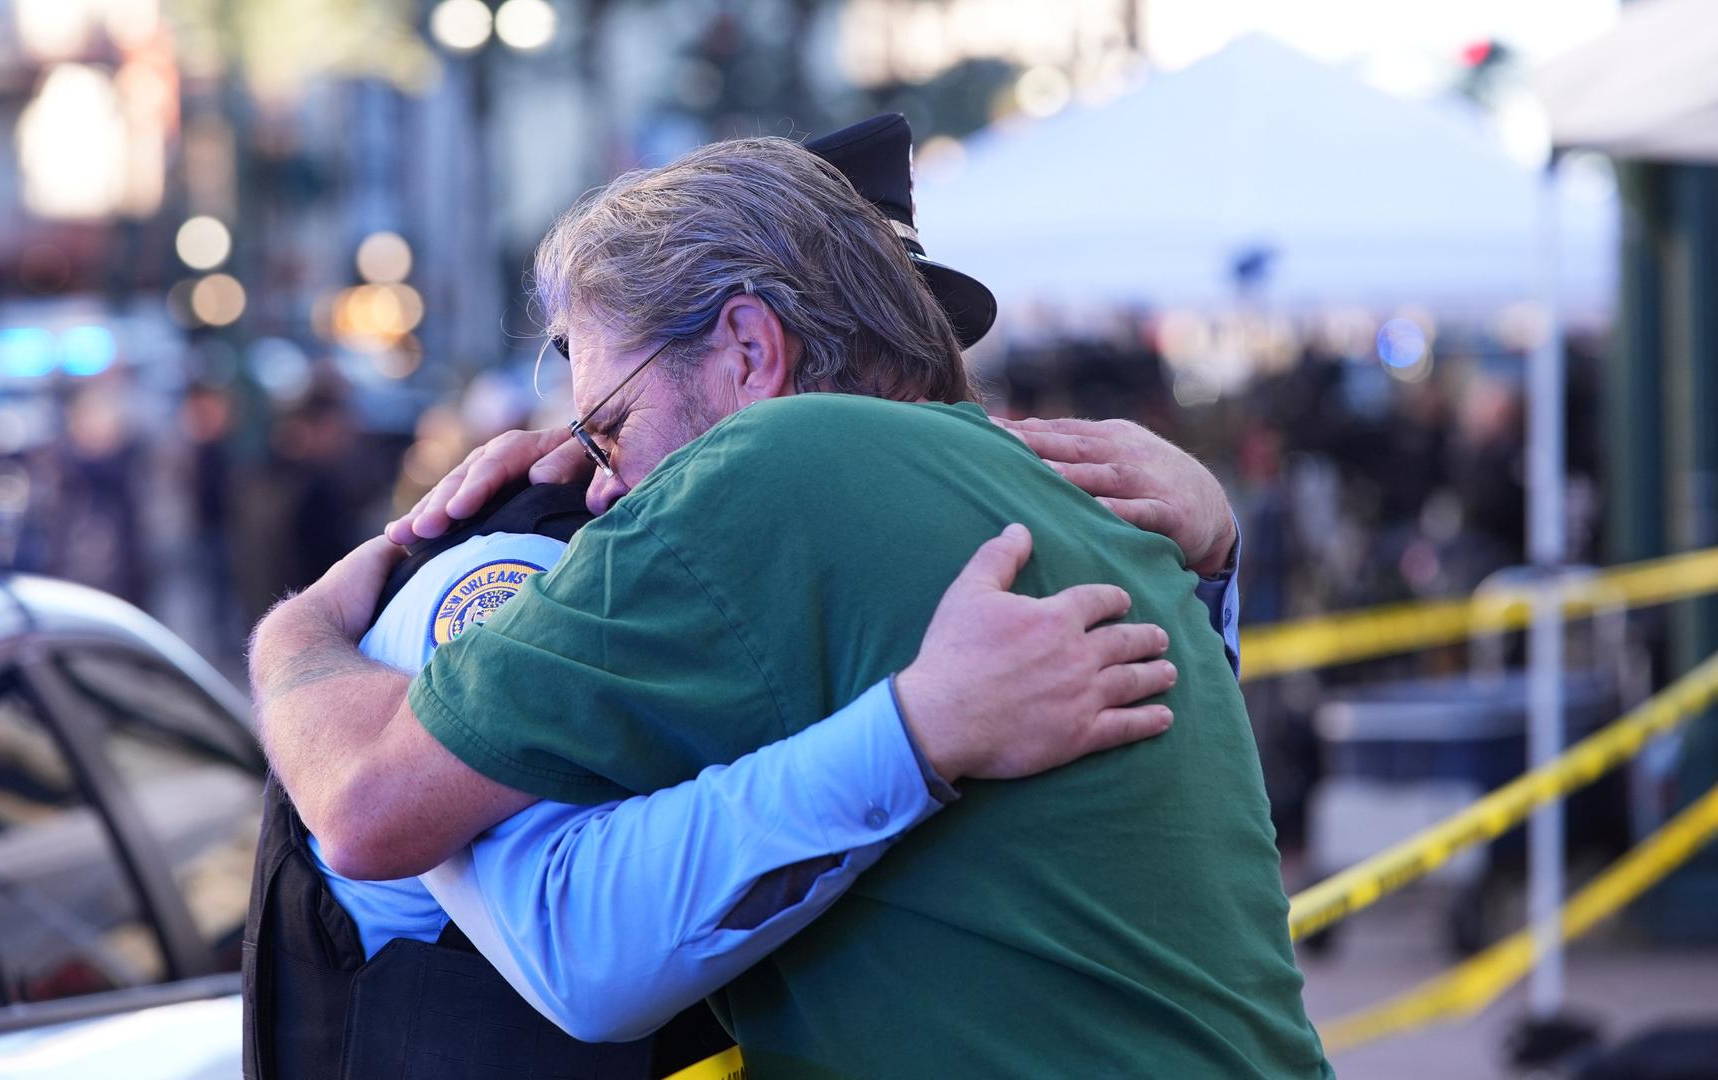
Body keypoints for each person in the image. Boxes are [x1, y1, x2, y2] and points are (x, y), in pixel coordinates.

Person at [254, 132, 1328, 1077]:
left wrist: (292, 630)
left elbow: (366, 811)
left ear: (749, 351)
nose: (600, 484)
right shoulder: (1096, 497)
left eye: (608, 426)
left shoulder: (774, 460)